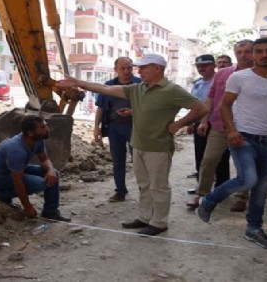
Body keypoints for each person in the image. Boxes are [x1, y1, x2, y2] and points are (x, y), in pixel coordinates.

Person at [57, 54, 208, 236]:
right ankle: (145, 217)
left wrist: (179, 124)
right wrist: (79, 83)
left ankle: (159, 222)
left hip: (158, 147)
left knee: (158, 186)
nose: (139, 71)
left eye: (144, 67)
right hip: (139, 145)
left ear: (157, 69)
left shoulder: (172, 90)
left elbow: (201, 108)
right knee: (144, 184)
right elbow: (105, 89)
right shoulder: (138, 88)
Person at [196, 37, 267, 249]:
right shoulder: (239, 78)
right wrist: (231, 130)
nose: (264, 55)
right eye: (260, 51)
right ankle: (209, 201)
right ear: (254, 55)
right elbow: (225, 106)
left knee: (262, 188)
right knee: (248, 179)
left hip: (266, 139)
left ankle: (253, 228)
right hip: (243, 135)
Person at [186, 40, 254, 211]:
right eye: (240, 52)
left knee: (244, 164)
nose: (243, 55)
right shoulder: (223, 74)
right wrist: (203, 120)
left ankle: (241, 197)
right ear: (235, 53)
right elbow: (211, 98)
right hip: (220, 125)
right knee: (208, 161)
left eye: (248, 51)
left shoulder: (260, 74)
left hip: (247, 127)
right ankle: (202, 195)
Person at [0, 115, 71, 222]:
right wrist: (28, 207)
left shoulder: (38, 139)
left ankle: (50, 212)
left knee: (54, 174)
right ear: (30, 133)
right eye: (42, 127)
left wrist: (50, 170)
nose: (47, 129)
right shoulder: (16, 150)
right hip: (0, 176)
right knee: (40, 183)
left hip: (16, 170)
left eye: (45, 125)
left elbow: (44, 160)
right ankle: (3, 194)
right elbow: (18, 181)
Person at [94, 57, 141, 202]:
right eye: (123, 68)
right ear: (116, 69)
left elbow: (148, 107)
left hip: (136, 127)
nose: (126, 71)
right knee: (118, 161)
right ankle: (120, 191)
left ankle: (144, 191)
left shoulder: (140, 84)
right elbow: (100, 108)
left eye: (129, 68)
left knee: (139, 160)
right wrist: (96, 127)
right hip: (114, 127)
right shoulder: (108, 86)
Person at [186, 55, 219, 187]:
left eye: (206, 65)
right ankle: (201, 187)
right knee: (200, 156)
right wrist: (190, 122)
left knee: (217, 158)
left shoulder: (221, 81)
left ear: (214, 66)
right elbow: (193, 104)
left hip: (216, 124)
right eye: (199, 66)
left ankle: (220, 187)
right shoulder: (197, 84)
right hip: (199, 124)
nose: (202, 68)